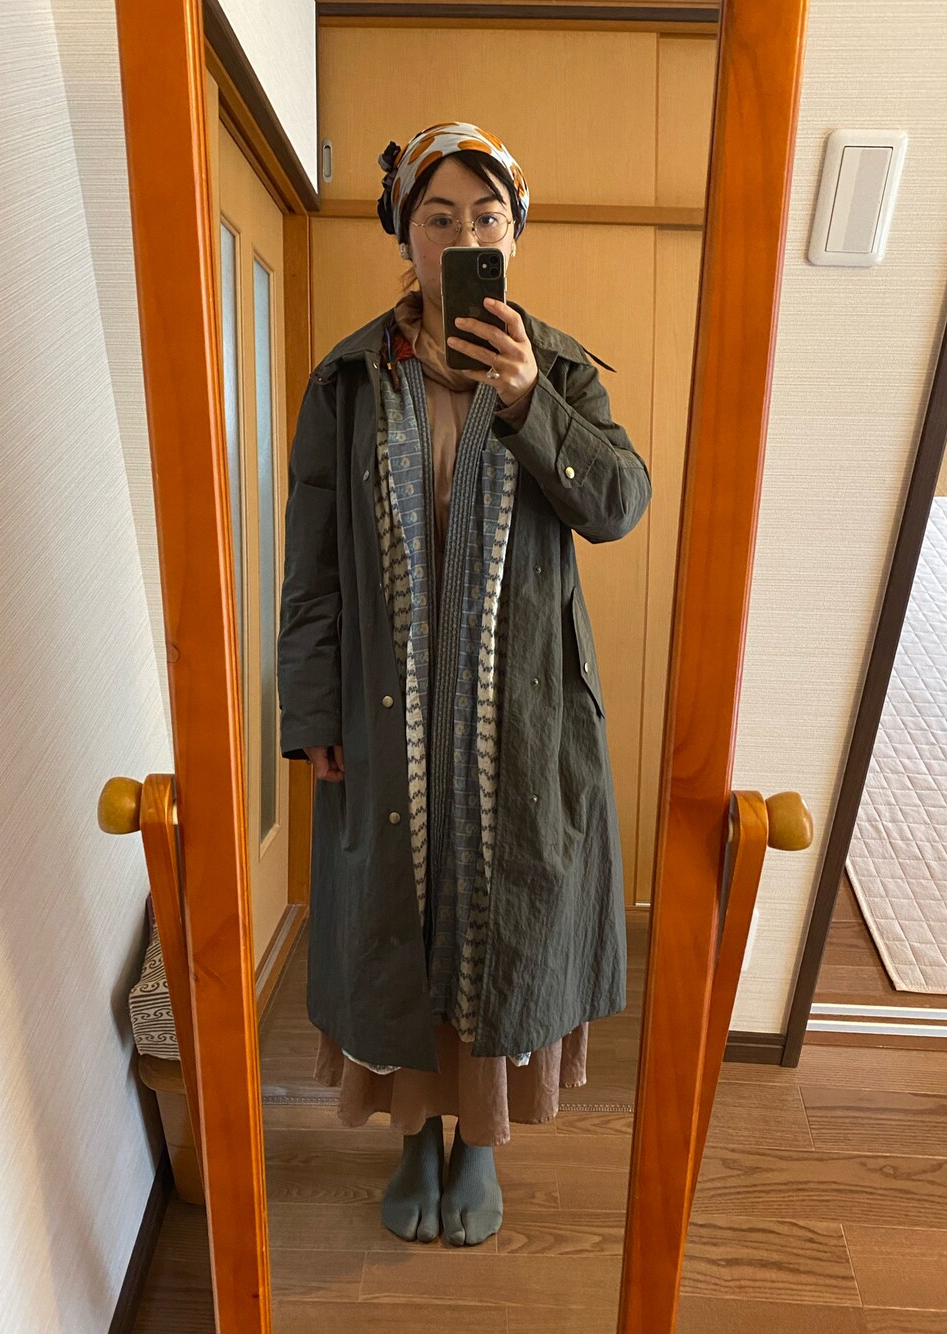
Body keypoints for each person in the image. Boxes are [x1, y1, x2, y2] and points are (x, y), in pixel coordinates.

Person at [277, 122, 651, 1247]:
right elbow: (313, 559)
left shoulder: (560, 369)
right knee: (397, 912)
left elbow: (618, 503)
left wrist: (532, 399)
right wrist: (310, 708)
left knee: (500, 912)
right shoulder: (350, 380)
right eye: (437, 218)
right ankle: (410, 1136)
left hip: (517, 712)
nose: (462, 236)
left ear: (513, 237)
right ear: (405, 238)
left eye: (485, 218)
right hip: (383, 710)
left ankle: (478, 1138)